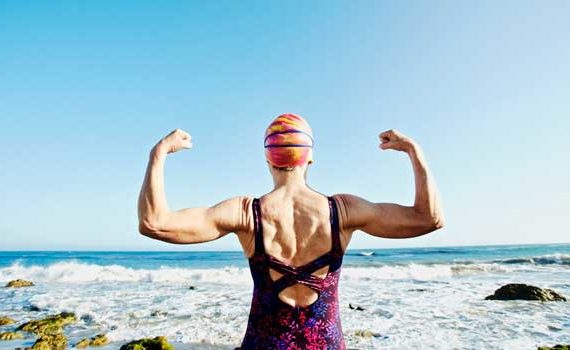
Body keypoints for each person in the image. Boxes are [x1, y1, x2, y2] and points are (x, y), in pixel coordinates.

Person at [137, 113, 444, 350]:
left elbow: (154, 223)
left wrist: (158, 153)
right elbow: (429, 218)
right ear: (309, 156)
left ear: (267, 158)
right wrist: (414, 152)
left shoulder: (246, 214)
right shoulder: (343, 211)